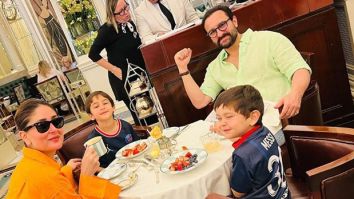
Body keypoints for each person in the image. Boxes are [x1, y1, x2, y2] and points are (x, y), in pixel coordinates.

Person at [174, 5, 311, 145]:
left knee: (243, 153)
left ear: (234, 21)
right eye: (212, 32)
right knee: (206, 148)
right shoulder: (215, 67)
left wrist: (295, 94)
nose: (220, 34)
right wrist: (182, 68)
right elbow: (201, 101)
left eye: (222, 25)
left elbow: (300, 69)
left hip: (276, 124)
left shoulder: (268, 40)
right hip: (239, 130)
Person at [6, 98, 120, 198]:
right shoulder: (45, 177)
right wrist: (86, 175)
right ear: (24, 136)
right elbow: (51, 184)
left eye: (56, 121)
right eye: (42, 126)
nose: (54, 130)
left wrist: (66, 170)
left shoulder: (29, 165)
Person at [206, 85, 290, 199]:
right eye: (219, 118)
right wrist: (225, 131)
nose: (221, 123)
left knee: (210, 196)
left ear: (253, 117)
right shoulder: (264, 131)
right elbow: (247, 141)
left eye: (229, 116)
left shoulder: (242, 155)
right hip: (283, 194)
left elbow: (238, 193)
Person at [89, 0, 157, 125]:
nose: (126, 13)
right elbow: (92, 54)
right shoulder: (107, 30)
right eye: (121, 12)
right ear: (112, 14)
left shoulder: (129, 24)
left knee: (151, 112)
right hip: (125, 79)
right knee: (142, 118)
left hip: (138, 77)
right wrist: (114, 69)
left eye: (126, 8)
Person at [85, 91, 139, 168]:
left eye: (105, 103)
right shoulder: (93, 140)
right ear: (91, 116)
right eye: (96, 106)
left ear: (113, 107)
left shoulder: (125, 126)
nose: (102, 107)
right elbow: (95, 167)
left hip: (135, 164)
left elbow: (137, 144)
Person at [135, 0, 200, 44]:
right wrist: (159, 36)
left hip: (191, 40)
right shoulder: (140, 11)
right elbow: (145, 38)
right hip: (168, 50)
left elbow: (193, 18)